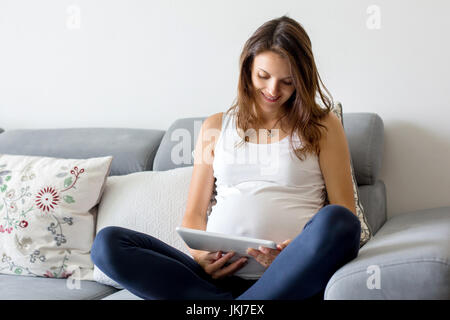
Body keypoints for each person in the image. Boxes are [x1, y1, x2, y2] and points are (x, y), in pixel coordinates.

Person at [91, 15, 361, 300]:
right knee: (107, 244)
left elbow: (345, 210)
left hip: (287, 275)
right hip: (215, 280)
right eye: (263, 76)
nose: (272, 90)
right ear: (247, 70)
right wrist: (200, 255)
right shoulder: (216, 126)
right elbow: (194, 213)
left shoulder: (323, 126)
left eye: (287, 82)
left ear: (301, 81)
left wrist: (292, 253)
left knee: (339, 221)